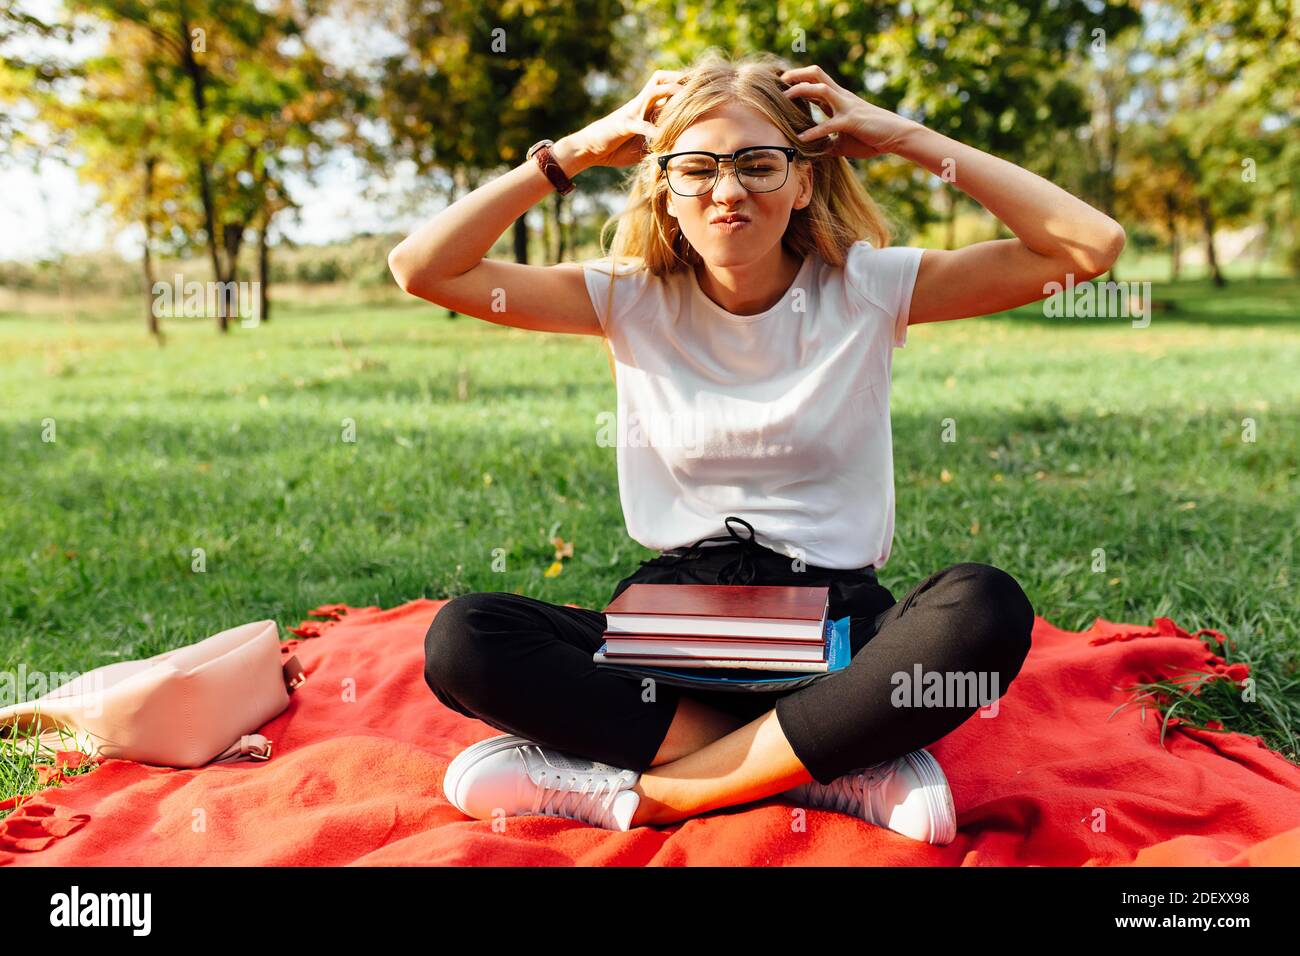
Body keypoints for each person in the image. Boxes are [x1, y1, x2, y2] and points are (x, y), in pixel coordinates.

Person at [388, 48, 1124, 843]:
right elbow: (422, 268)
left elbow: (1087, 248)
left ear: (803, 179)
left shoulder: (868, 286)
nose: (727, 189)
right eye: (696, 168)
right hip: (670, 638)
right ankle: (832, 767)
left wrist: (906, 136)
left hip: (837, 634)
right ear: (666, 190)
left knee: (983, 609)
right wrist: (576, 152)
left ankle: (651, 792)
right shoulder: (628, 296)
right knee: (464, 641)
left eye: (757, 163)